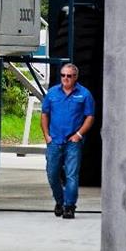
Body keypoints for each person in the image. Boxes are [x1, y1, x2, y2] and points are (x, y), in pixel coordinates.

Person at [40, 62, 95, 218]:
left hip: (73, 143)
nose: (65, 78)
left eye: (69, 76)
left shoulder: (84, 94)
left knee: (71, 175)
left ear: (75, 77)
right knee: (52, 174)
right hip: (54, 141)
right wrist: (47, 136)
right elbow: (44, 114)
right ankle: (60, 201)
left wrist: (79, 135)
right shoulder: (52, 93)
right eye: (63, 75)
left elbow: (90, 116)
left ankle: (69, 206)